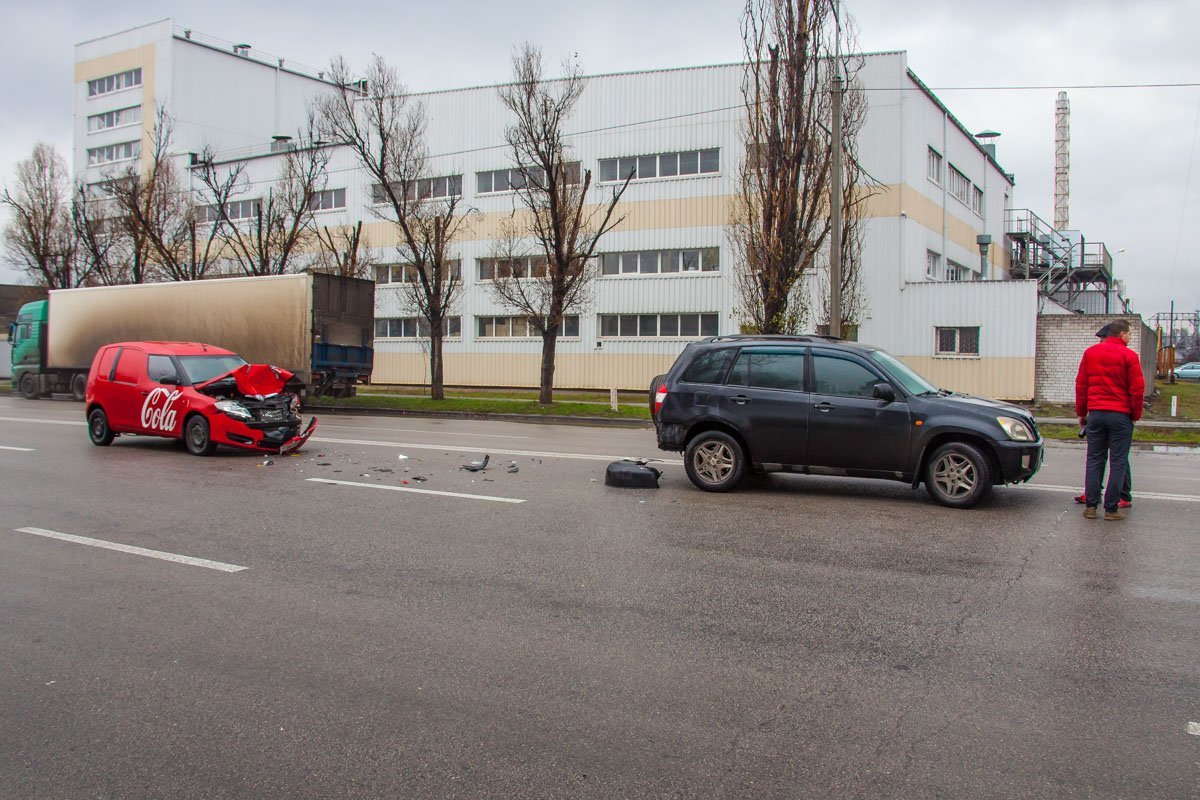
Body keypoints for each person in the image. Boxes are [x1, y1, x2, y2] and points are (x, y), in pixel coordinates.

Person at [1075, 319, 1145, 521]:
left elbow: (1081, 385)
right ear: (1122, 335)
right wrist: (1135, 415)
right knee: (1118, 461)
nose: (1130, 337)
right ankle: (1111, 509)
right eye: (1129, 334)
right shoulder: (1129, 356)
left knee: (1094, 459)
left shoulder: (1090, 353)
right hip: (1120, 416)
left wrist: (1082, 413)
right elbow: (1137, 390)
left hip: (1096, 414)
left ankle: (1090, 507)